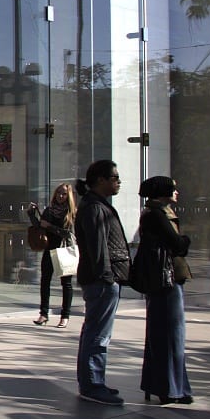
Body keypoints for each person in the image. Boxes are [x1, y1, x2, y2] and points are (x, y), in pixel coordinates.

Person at [72, 159, 129, 404]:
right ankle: (92, 384)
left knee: (95, 331)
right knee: (98, 334)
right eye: (114, 178)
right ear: (100, 180)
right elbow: (97, 249)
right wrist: (106, 278)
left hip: (102, 279)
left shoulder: (97, 206)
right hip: (102, 280)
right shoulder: (95, 208)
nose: (118, 182)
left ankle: (94, 381)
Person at [135, 176, 192, 405]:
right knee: (171, 334)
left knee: (163, 333)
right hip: (166, 280)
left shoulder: (153, 213)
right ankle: (170, 387)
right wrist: (185, 240)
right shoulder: (158, 215)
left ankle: (166, 385)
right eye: (173, 189)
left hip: (160, 279)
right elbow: (178, 244)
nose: (177, 192)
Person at [27, 183, 76, 327]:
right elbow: (40, 227)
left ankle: (65, 316)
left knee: (66, 284)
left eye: (64, 194)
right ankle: (43, 314)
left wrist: (50, 227)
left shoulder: (70, 212)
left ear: (69, 196)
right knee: (45, 281)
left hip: (64, 249)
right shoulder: (49, 210)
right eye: (59, 193)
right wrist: (32, 214)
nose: (60, 196)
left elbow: (68, 233)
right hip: (49, 249)